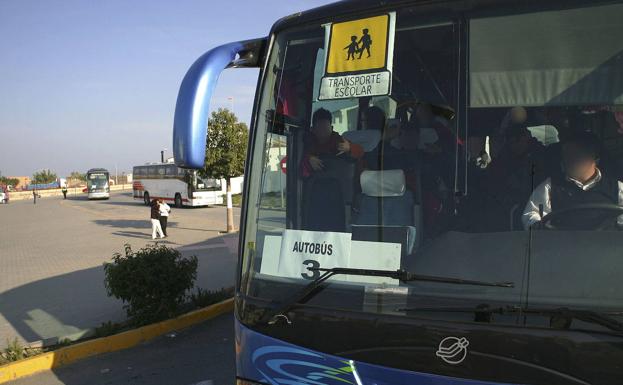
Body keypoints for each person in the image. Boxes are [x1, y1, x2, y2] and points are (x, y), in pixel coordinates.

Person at [522, 131, 623, 230]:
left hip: (607, 245)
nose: (569, 160)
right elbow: (531, 216)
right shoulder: (550, 186)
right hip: (562, 245)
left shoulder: (617, 188)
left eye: (576, 155)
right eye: (566, 155)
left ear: (595, 159)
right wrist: (539, 226)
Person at [301, 108, 363, 177]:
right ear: (312, 129)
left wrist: (350, 148)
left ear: (332, 128)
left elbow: (360, 152)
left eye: (325, 127)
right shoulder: (305, 141)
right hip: (314, 182)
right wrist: (308, 159)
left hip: (338, 180)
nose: (323, 131)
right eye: (320, 127)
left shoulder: (338, 140)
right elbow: (296, 159)